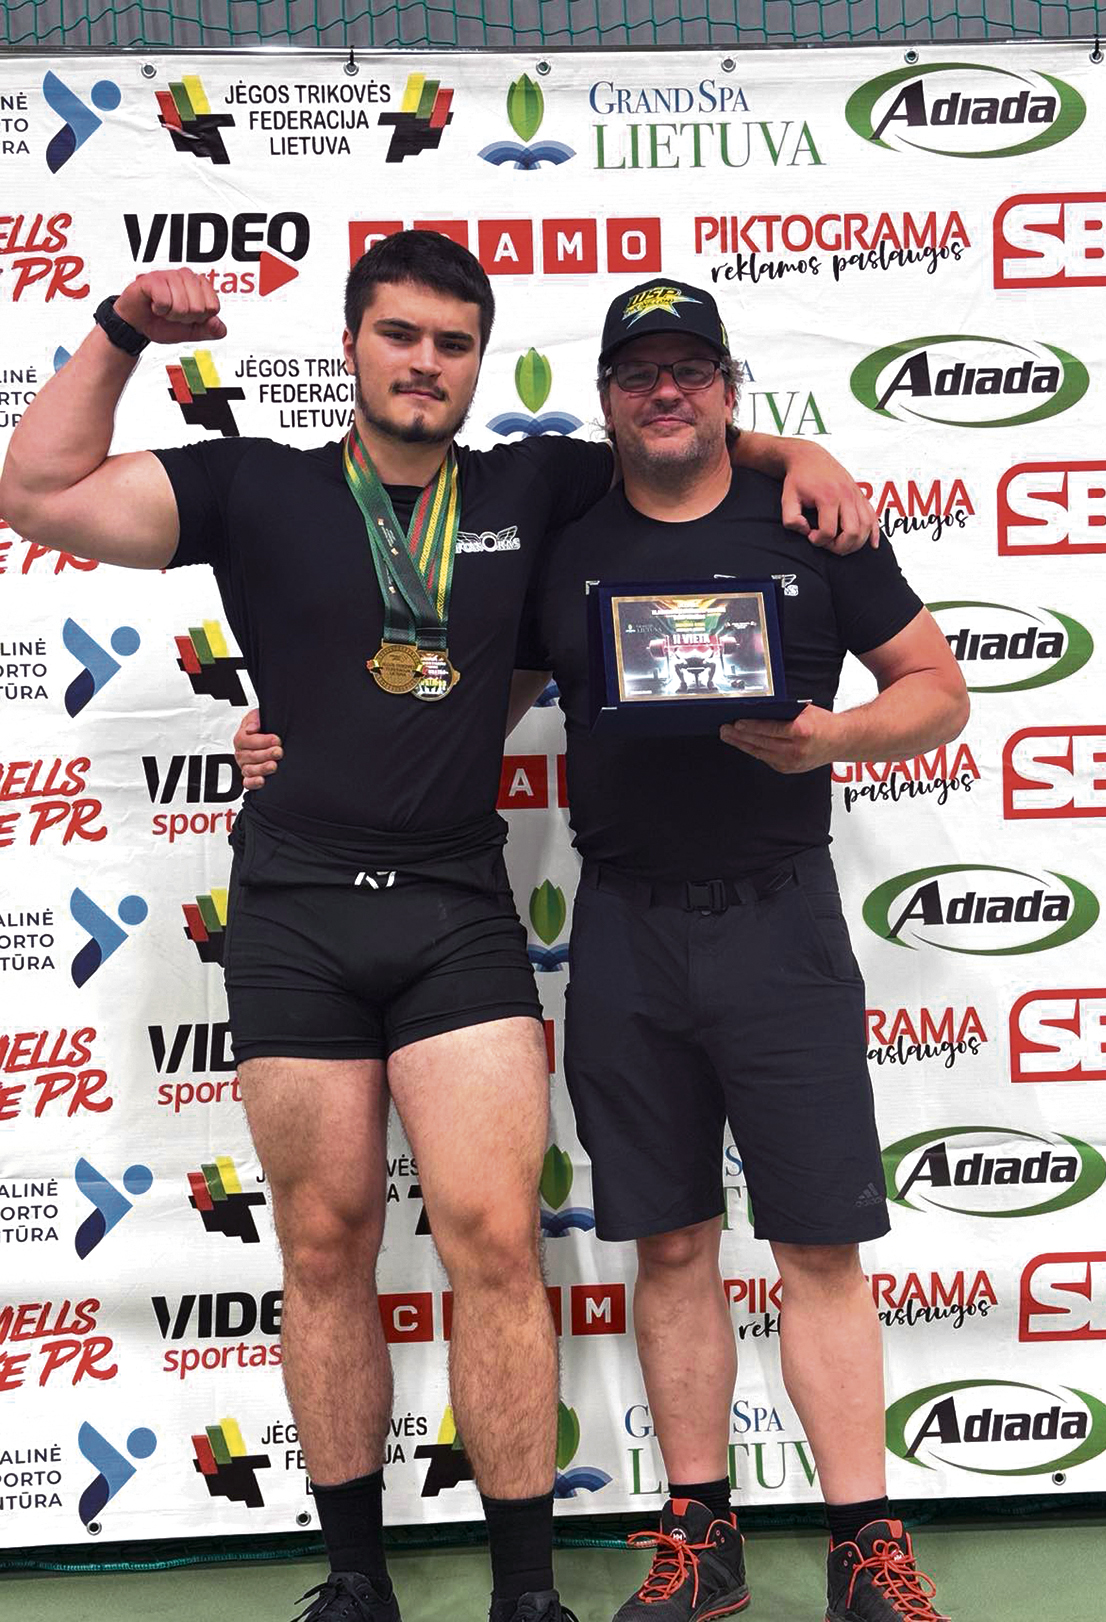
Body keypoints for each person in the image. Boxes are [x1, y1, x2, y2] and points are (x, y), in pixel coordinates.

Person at [0, 239, 879, 1622]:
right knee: (323, 1245)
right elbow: (36, 489)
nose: (425, 363)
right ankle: (355, 1578)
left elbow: (677, 436)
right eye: (400, 335)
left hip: (455, 907)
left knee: (491, 1238)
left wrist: (800, 451)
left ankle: (526, 1595)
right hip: (295, 909)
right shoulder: (254, 484)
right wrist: (118, 329)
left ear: (479, 363)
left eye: (453, 344)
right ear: (352, 345)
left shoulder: (536, 486)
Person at [237, 277, 968, 1622]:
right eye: (639, 373)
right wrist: (302, 739)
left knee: (817, 1246)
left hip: (782, 918)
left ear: (730, 389)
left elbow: (937, 691)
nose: (665, 391)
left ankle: (865, 1543)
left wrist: (835, 737)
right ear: (607, 399)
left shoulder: (810, 516)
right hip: (625, 925)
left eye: (690, 369)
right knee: (671, 1246)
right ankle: (701, 1536)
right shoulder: (561, 538)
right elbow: (456, 691)